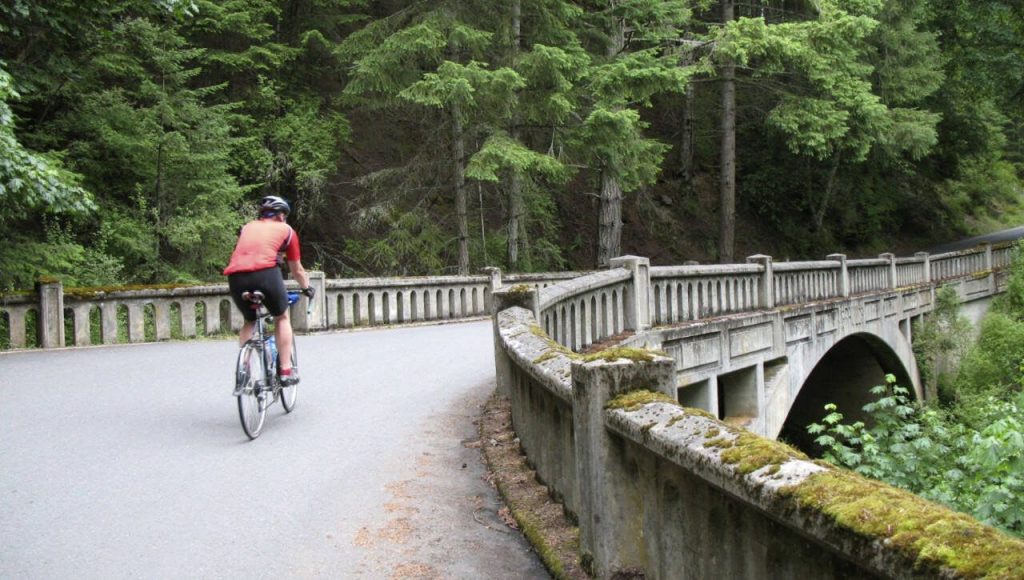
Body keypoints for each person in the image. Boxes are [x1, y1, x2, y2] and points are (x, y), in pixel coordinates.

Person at [224, 195, 314, 386]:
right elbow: (296, 269)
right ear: (281, 216)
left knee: (249, 321)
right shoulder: (286, 230)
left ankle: (244, 371)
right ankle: (285, 371)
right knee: (281, 317)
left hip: (235, 276)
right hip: (265, 274)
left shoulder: (247, 227)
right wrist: (306, 288)